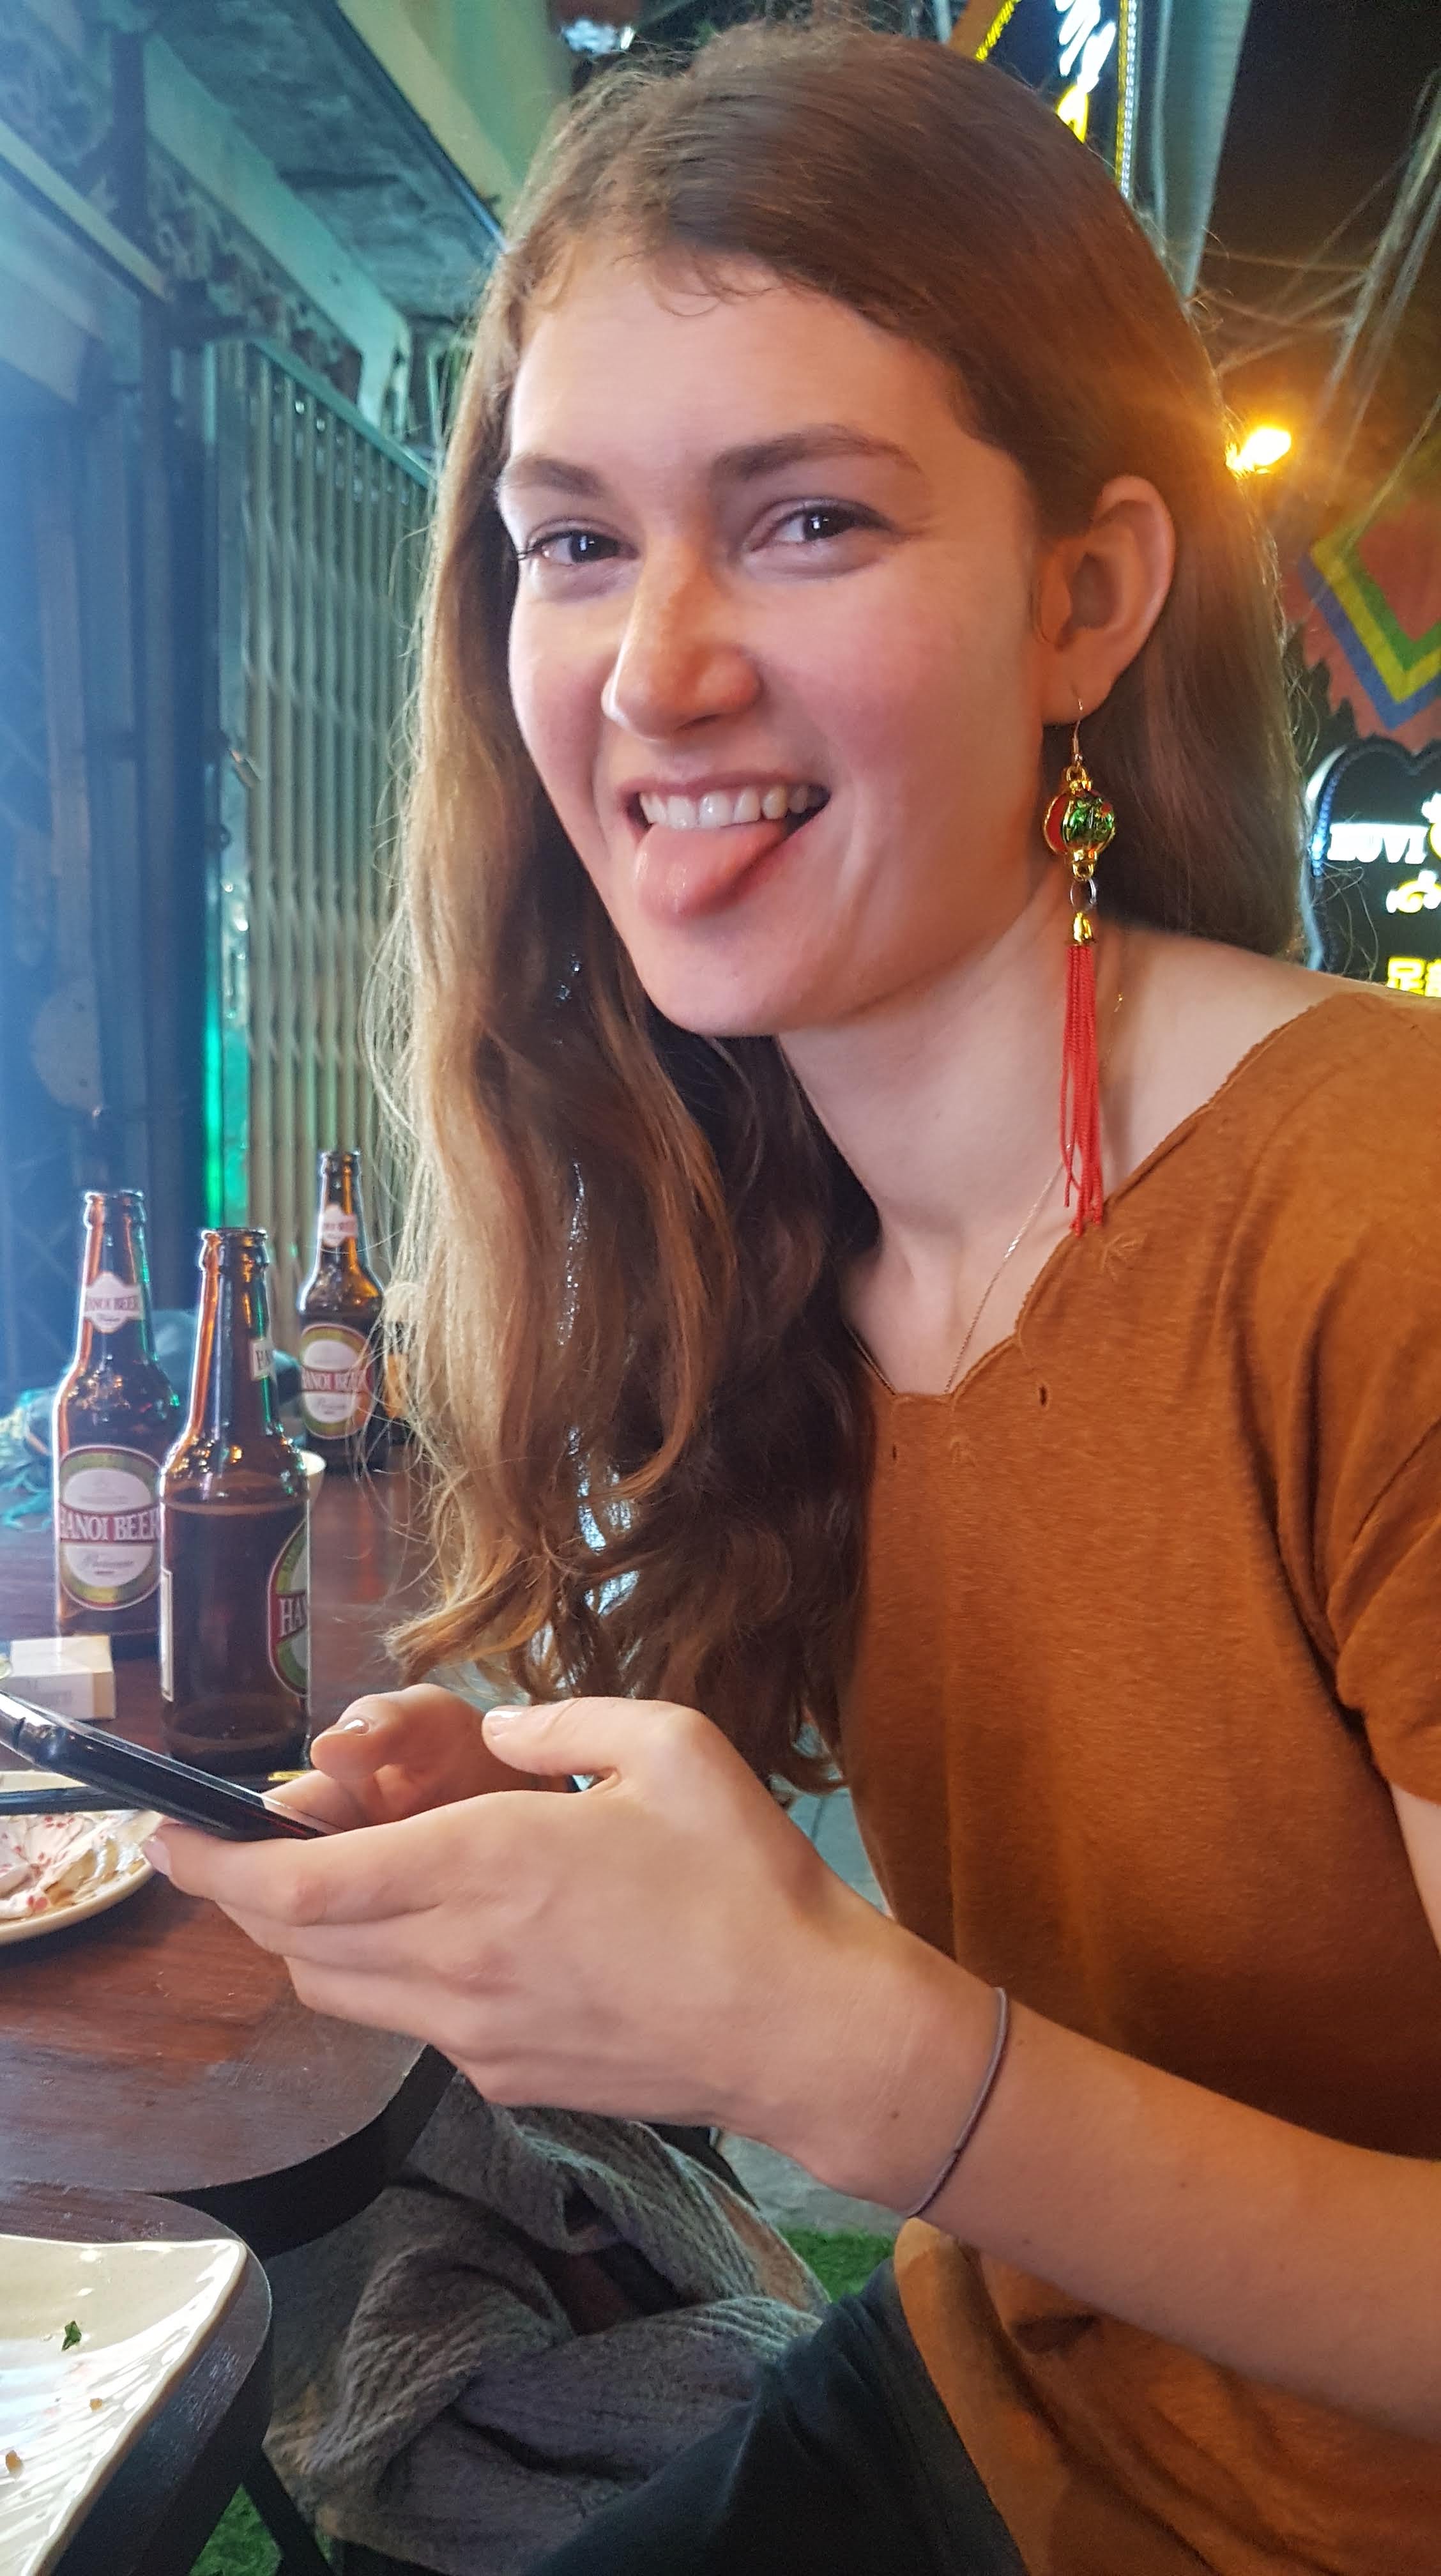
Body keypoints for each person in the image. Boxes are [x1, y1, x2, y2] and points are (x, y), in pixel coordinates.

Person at [146, 24, 1441, 2574]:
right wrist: (577, 1854)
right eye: (575, 542)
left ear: (1085, 599)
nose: (654, 670)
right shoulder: (785, 1231)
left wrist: (855, 2050)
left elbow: (922, 2068)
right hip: (1000, 2384)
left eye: (809, 520)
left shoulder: (1376, 1226)